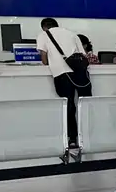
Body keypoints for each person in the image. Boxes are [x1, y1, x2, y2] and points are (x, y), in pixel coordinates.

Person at [36, 17, 91, 148]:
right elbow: (83, 55)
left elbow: (44, 58)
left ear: (44, 27)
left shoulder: (43, 35)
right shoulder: (71, 33)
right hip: (80, 73)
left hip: (62, 74)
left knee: (69, 106)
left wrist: (50, 62)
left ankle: (72, 138)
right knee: (86, 104)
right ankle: (88, 135)